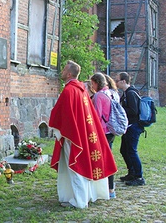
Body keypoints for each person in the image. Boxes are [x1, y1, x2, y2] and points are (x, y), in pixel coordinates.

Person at [49, 61, 118, 208]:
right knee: (81, 166)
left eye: (64, 69)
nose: (61, 71)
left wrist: (60, 130)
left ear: (69, 73)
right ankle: (83, 196)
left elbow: (61, 114)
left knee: (75, 167)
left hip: (71, 136)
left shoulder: (69, 91)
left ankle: (79, 201)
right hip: (81, 134)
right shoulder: (81, 89)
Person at [90, 73, 119, 199]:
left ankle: (105, 189)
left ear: (96, 83)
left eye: (92, 83)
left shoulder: (99, 96)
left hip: (103, 131)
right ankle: (111, 188)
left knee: (104, 159)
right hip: (112, 129)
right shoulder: (113, 93)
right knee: (109, 157)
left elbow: (96, 116)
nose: (92, 86)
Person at [115, 72, 145, 186]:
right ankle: (131, 172)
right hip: (128, 126)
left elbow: (133, 111)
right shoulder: (126, 93)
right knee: (124, 150)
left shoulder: (131, 93)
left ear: (123, 81)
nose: (116, 82)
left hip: (134, 126)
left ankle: (139, 176)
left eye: (117, 80)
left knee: (132, 151)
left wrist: (120, 109)